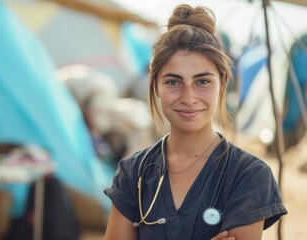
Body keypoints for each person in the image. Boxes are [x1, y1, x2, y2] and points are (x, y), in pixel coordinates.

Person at [103, 3, 287, 240]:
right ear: (155, 86)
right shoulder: (133, 173)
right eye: (173, 82)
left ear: (222, 84)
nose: (188, 97)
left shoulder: (248, 175)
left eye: (202, 82)